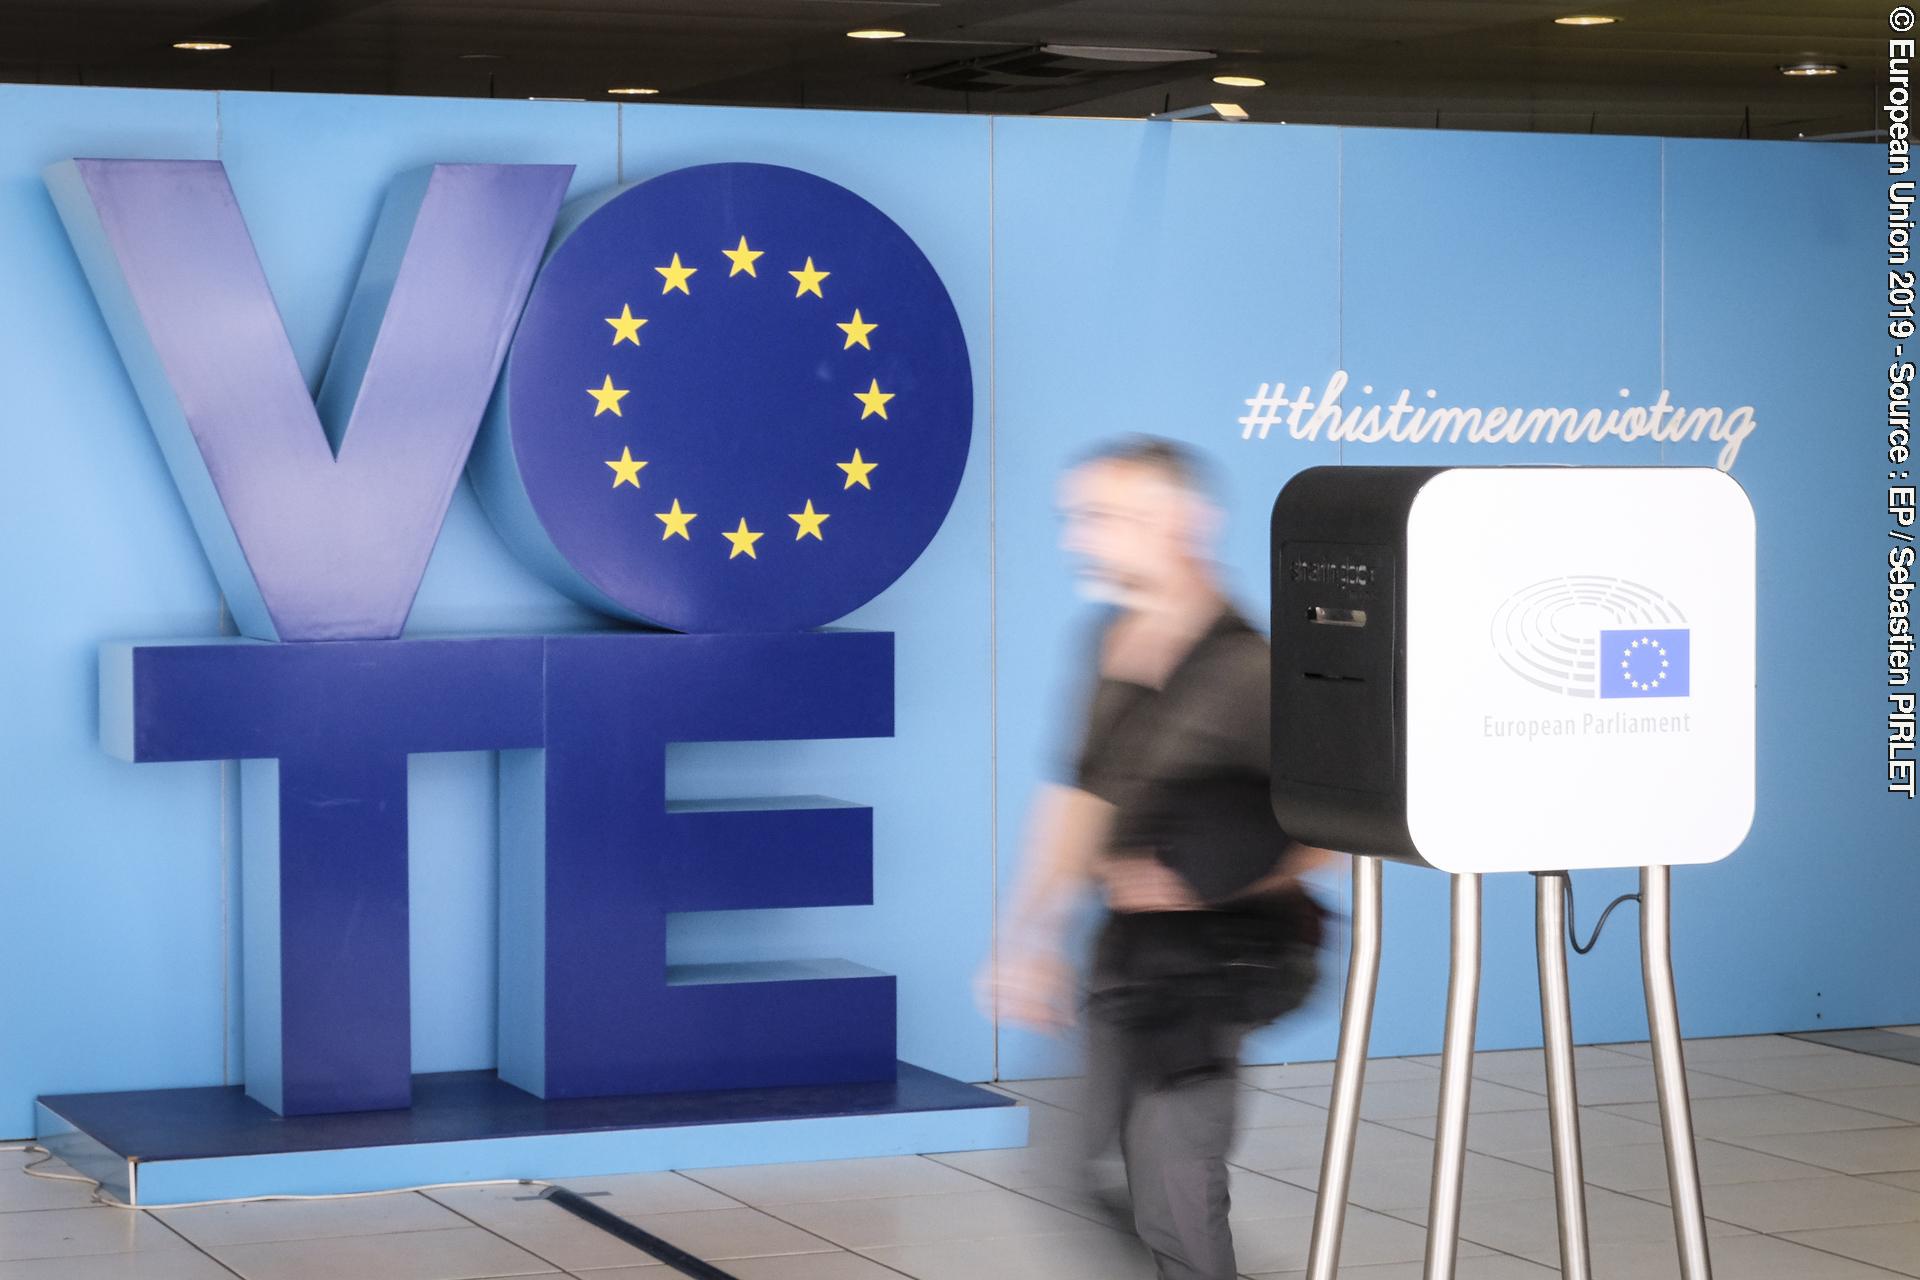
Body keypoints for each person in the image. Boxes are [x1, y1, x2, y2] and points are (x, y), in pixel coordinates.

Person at [983, 436, 1333, 1280]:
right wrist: (1025, 937)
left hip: (1222, 958)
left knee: (1173, 1187)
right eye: (1080, 517)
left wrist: (1214, 885)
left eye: (1103, 517)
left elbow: (1332, 836)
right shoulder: (1109, 642)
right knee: (1074, 1169)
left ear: (1183, 523)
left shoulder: (1257, 670)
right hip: (1128, 953)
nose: (1080, 536)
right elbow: (1078, 801)